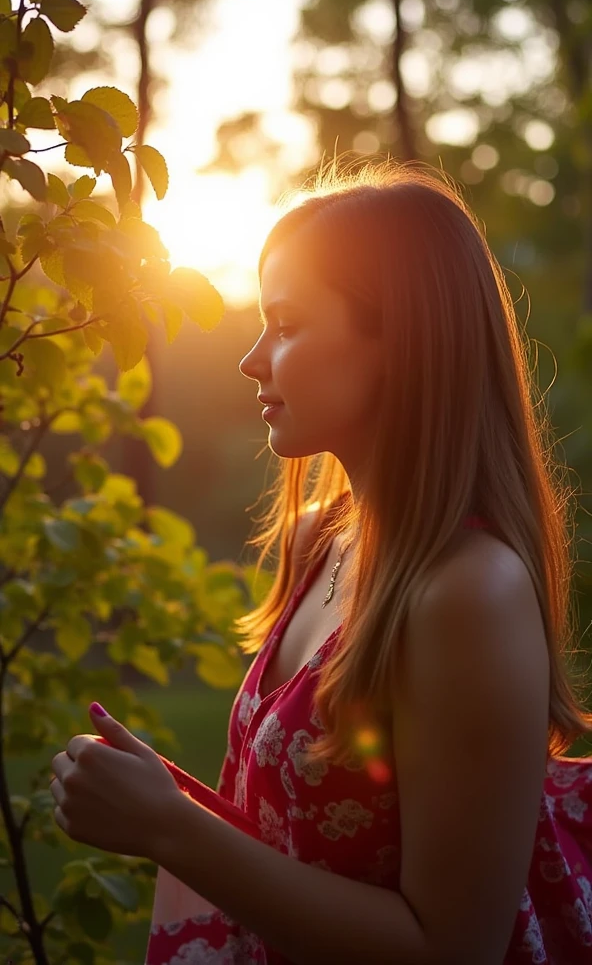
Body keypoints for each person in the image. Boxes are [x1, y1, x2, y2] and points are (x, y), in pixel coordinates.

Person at [51, 163, 592, 965]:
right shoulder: (321, 539)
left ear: (401, 341)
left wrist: (169, 826)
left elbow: (454, 948)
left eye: (288, 323)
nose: (252, 359)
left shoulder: (469, 593)